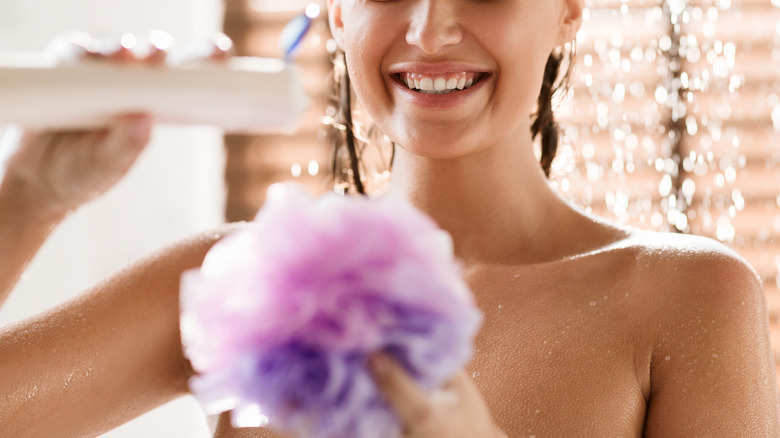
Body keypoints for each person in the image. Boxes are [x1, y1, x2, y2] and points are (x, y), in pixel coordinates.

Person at [2, 0, 779, 436]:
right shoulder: (238, 285)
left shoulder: (687, 300)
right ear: (336, 14)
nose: (430, 29)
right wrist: (32, 194)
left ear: (569, 11)